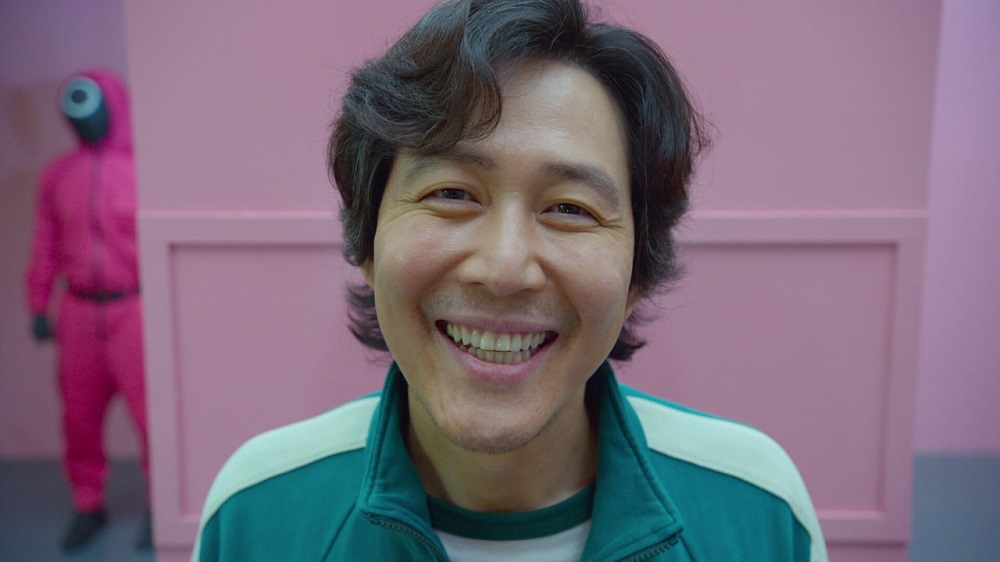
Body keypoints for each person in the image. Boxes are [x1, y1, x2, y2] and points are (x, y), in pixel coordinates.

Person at [194, 0, 827, 560]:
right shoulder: (257, 513)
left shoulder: (759, 511)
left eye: (570, 208)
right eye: (452, 194)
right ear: (368, 241)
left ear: (637, 270)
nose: (505, 269)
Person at [25, 69, 152, 551]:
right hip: (77, 311)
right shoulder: (57, 175)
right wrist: (38, 302)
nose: (87, 119)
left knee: (151, 415)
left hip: (133, 309)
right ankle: (87, 503)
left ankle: (158, 505)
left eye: (94, 108)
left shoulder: (142, 171)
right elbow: (45, 242)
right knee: (78, 417)